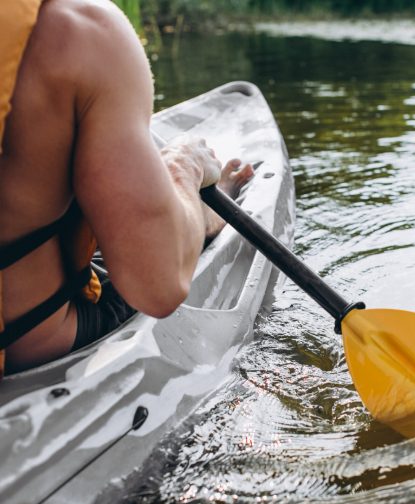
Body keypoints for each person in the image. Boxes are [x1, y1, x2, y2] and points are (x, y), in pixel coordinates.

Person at [0, 0, 253, 377]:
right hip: (28, 342)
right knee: (148, 247)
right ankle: (194, 210)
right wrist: (183, 164)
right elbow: (156, 286)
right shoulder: (79, 30)